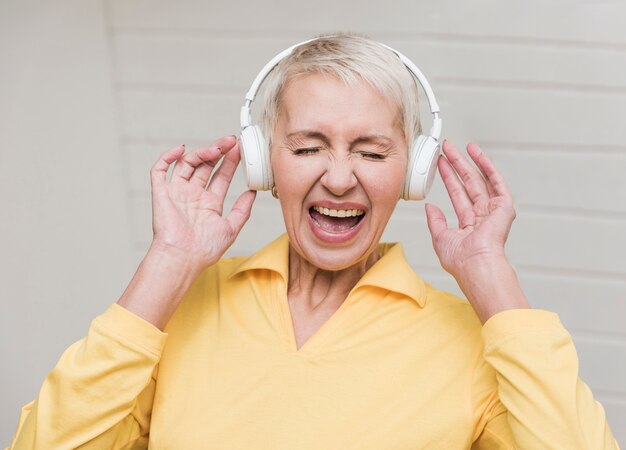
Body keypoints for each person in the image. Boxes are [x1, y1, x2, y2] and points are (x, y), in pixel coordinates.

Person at [6, 33, 619, 449]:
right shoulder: (185, 305)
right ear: (263, 163)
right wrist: (168, 263)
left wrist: (491, 276)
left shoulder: (472, 341)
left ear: (412, 173)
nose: (339, 176)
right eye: (307, 147)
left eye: (372, 152)